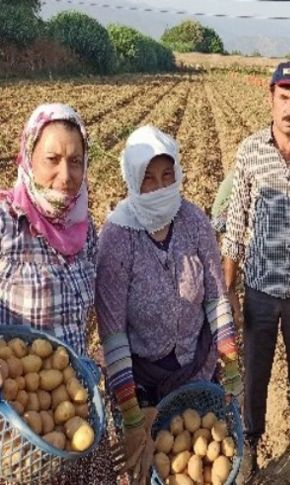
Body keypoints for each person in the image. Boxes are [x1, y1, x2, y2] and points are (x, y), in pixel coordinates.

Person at [95, 125, 242, 484]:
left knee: (201, 459)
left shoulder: (193, 221)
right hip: (141, 382)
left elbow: (215, 299)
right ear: (132, 180)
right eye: (149, 178)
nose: (160, 188)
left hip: (196, 370)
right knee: (152, 468)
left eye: (167, 175)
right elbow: (113, 335)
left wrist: (232, 366)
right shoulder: (117, 238)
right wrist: (132, 415)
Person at [222, 61, 290, 481]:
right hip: (260, 291)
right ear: (270, 98)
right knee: (255, 372)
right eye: (284, 98)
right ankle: (250, 443)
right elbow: (236, 224)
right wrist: (228, 291)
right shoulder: (250, 151)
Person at [0, 103, 116, 483]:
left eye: (77, 161)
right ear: (28, 156)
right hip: (15, 434)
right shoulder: (6, 223)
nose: (65, 175)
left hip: (74, 413)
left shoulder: (86, 230)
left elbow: (95, 315)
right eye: (52, 158)